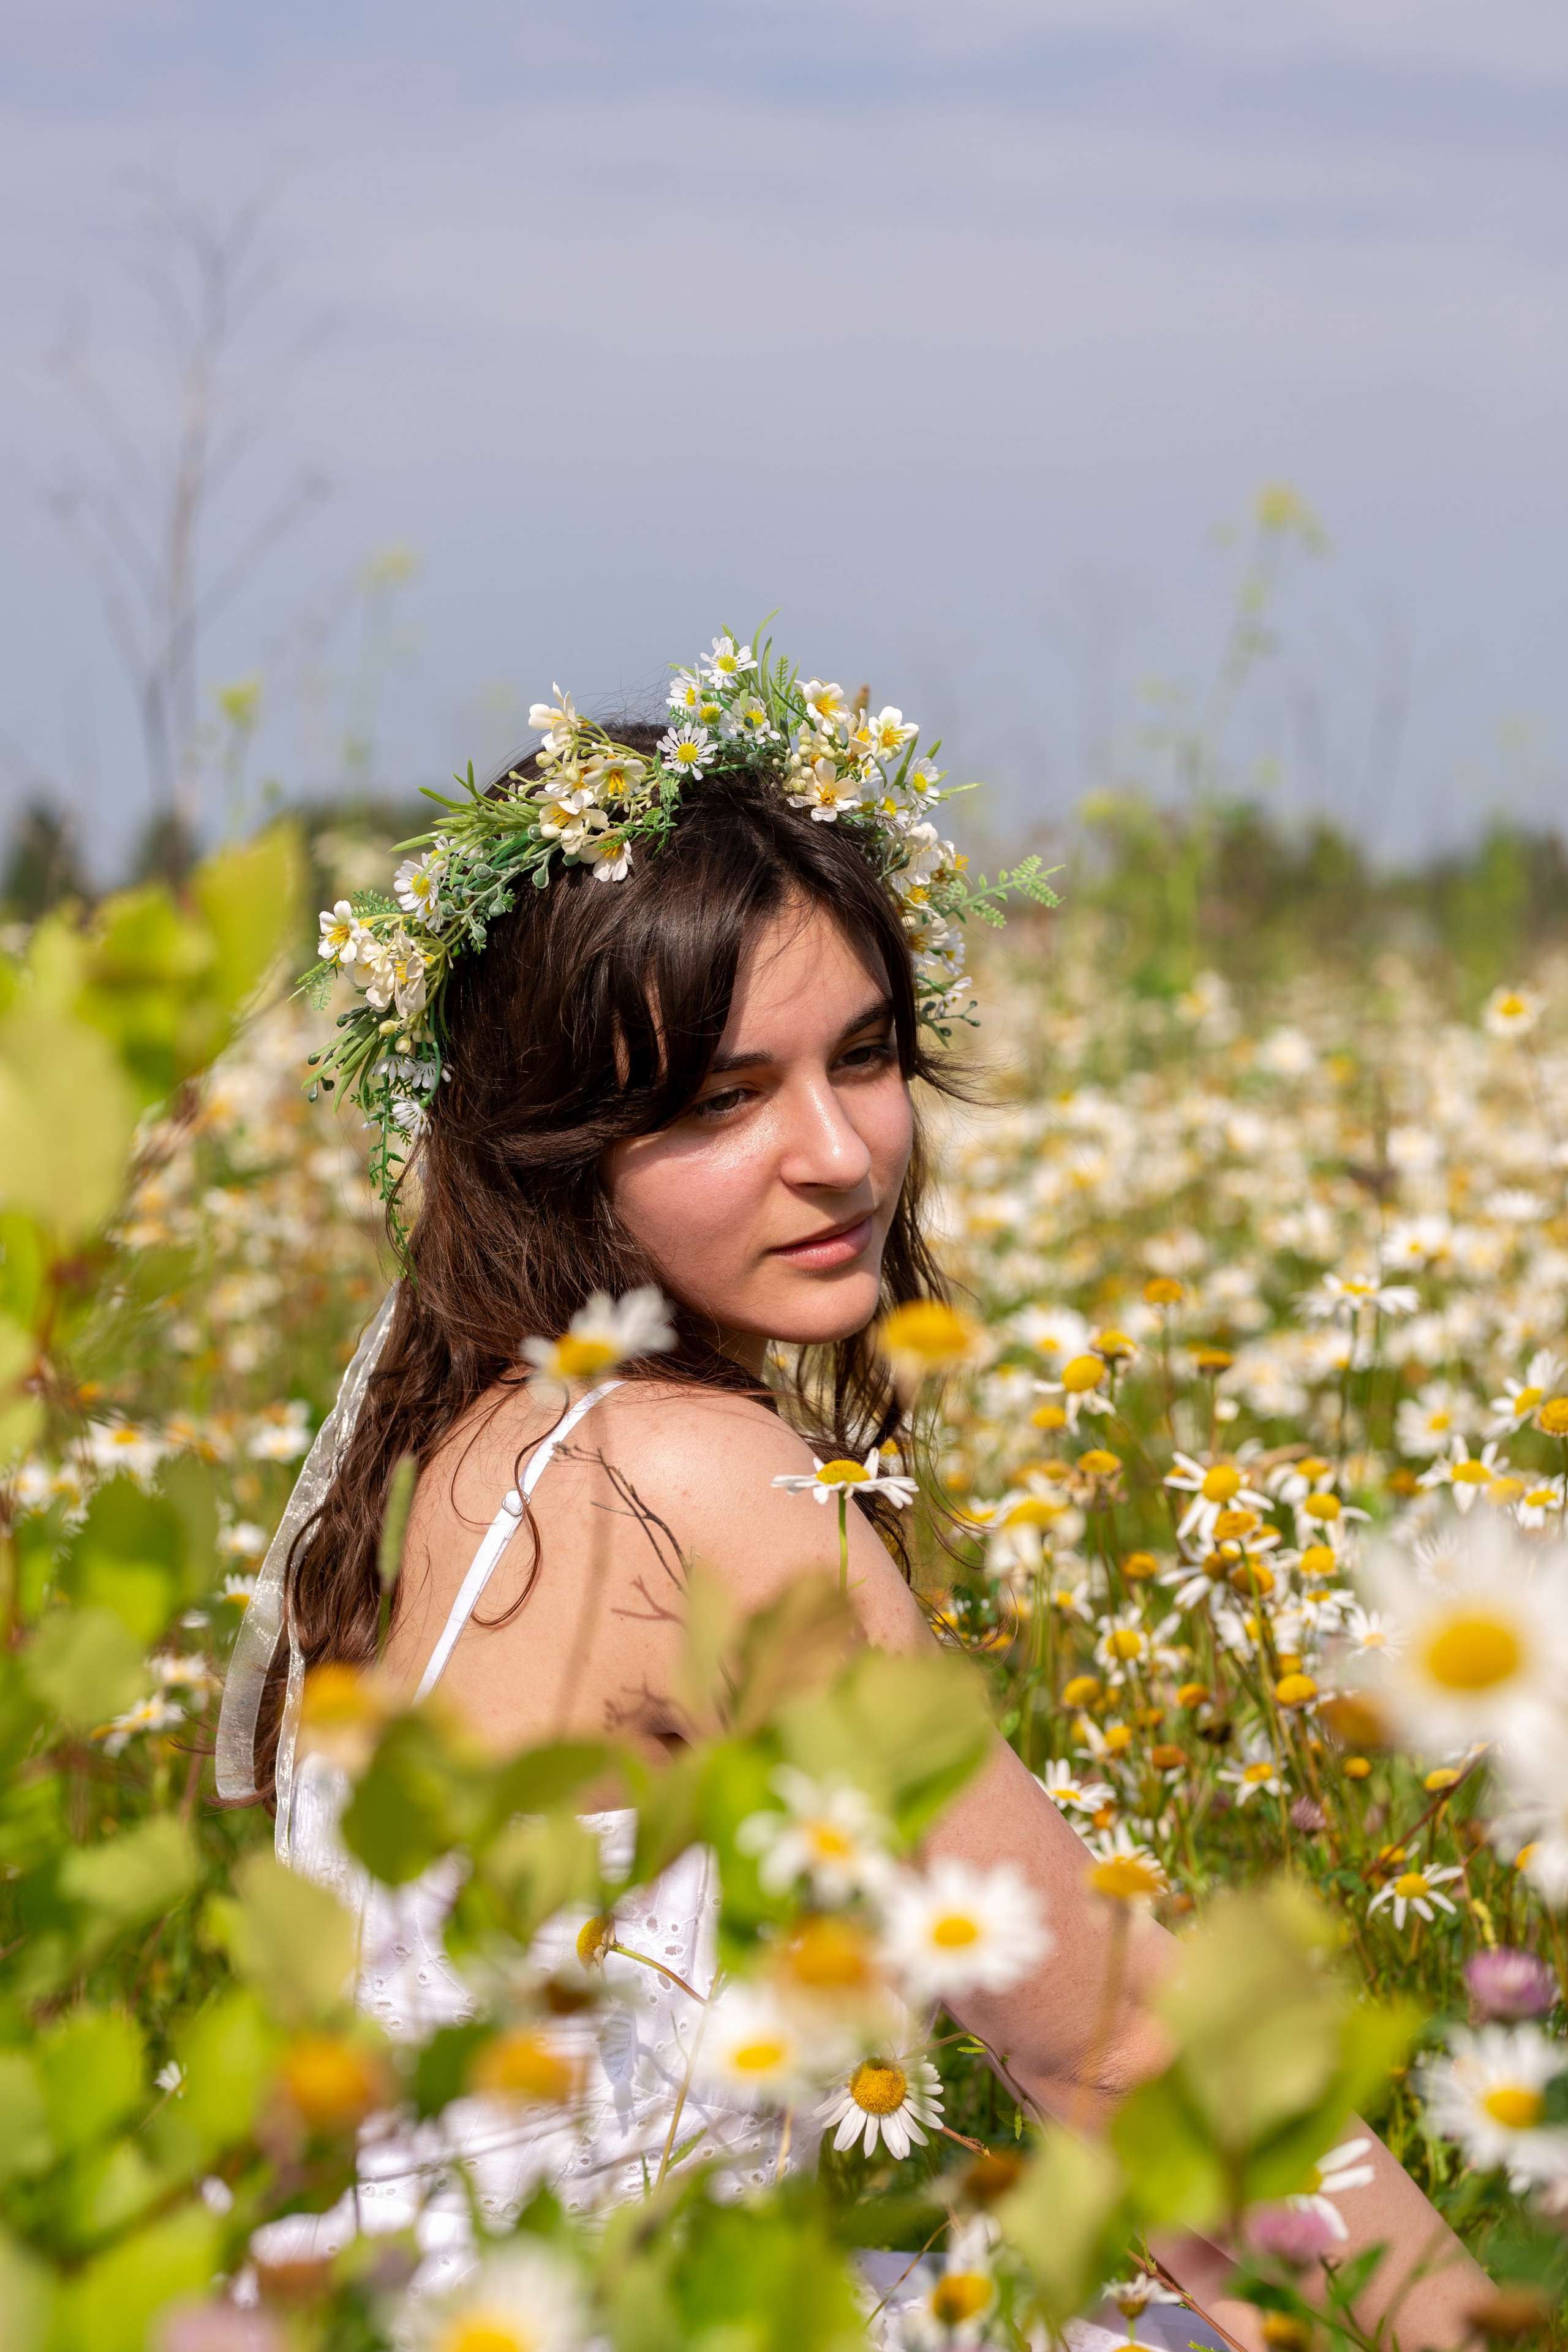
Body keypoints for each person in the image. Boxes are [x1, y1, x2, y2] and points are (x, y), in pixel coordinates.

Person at [217, 646, 1482, 2345]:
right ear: (550, 1133)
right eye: (725, 1098)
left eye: (865, 1056)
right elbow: (1098, 2042)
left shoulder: (450, 1458)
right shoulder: (698, 1481)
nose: (841, 1154)